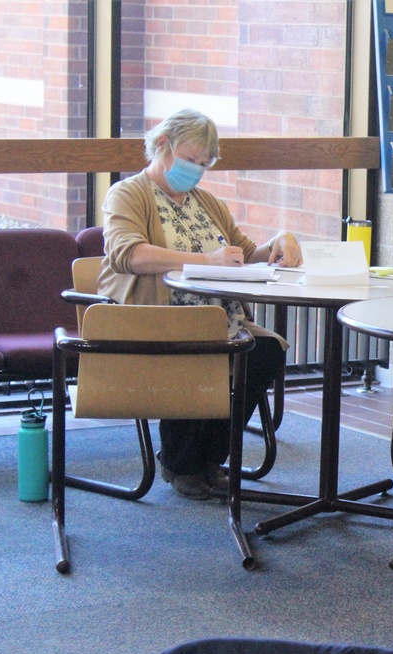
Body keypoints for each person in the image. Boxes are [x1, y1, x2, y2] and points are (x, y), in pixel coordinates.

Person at [99, 108, 303, 500]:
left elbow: (245, 253)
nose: (196, 171)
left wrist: (280, 240)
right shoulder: (128, 194)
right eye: (191, 160)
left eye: (204, 164)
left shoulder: (206, 202)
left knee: (266, 350)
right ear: (163, 145)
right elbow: (129, 254)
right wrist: (204, 261)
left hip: (217, 322)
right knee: (201, 348)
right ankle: (182, 463)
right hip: (158, 320)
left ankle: (207, 459)